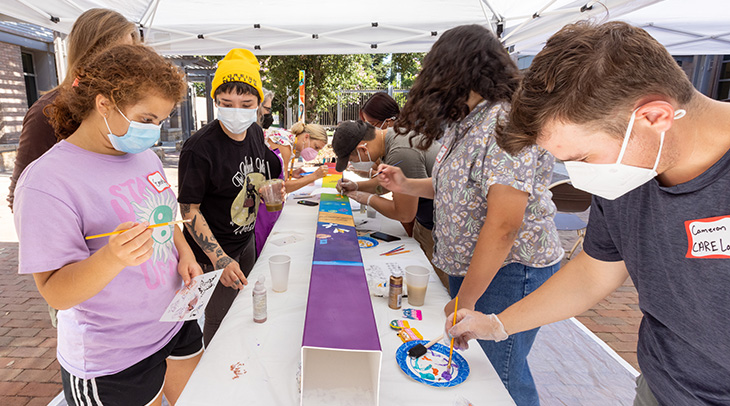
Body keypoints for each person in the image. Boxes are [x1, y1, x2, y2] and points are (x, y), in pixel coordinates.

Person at [447, 21, 730, 406]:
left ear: (654, 117)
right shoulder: (633, 167)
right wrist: (498, 324)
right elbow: (594, 272)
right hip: (662, 386)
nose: (582, 177)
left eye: (583, 158)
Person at [377, 25, 563, 406]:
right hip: (483, 270)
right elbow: (458, 190)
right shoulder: (470, 121)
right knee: (483, 370)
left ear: (457, 70)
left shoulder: (504, 121)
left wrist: (467, 299)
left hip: (511, 271)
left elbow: (504, 223)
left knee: (500, 375)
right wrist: (406, 183)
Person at [14, 44, 202, 406]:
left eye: (161, 121)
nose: (155, 132)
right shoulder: (47, 183)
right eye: (146, 120)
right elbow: (55, 291)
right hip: (114, 358)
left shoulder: (143, 156)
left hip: (175, 321)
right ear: (104, 104)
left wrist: (183, 252)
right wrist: (111, 258)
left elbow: (161, 214)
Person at [178, 48, 283, 346]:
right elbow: (188, 209)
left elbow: (259, 171)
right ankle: (215, 376)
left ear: (259, 105)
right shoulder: (199, 148)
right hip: (214, 254)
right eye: (226, 103)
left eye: (246, 103)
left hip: (245, 241)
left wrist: (266, 188)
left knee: (246, 308)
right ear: (215, 102)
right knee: (219, 319)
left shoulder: (253, 131)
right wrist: (219, 258)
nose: (236, 111)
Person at [8, 8, 139, 211]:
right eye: (119, 54)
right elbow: (22, 194)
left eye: (132, 54)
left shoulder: (123, 106)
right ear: (91, 52)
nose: (128, 64)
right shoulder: (46, 111)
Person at [332, 120, 448, 287]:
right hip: (430, 222)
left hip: (440, 229)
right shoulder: (393, 136)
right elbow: (391, 184)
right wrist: (357, 186)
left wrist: (367, 199)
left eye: (352, 159)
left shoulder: (401, 152)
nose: (355, 164)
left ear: (363, 149)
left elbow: (404, 213)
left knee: (438, 288)